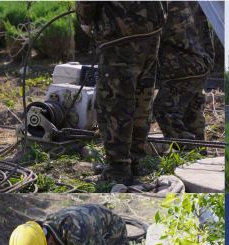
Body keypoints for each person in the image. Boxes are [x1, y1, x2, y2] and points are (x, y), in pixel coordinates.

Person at [76, 1, 166, 186]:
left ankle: (118, 171)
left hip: (119, 27)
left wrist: (85, 18)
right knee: (142, 96)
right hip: (151, 26)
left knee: (114, 101)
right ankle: (133, 164)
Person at [153, 1, 215, 144]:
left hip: (182, 65)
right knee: (192, 113)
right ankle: (198, 154)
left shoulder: (168, 3)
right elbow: (205, 30)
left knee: (163, 110)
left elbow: (157, 29)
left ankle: (187, 148)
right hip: (201, 61)